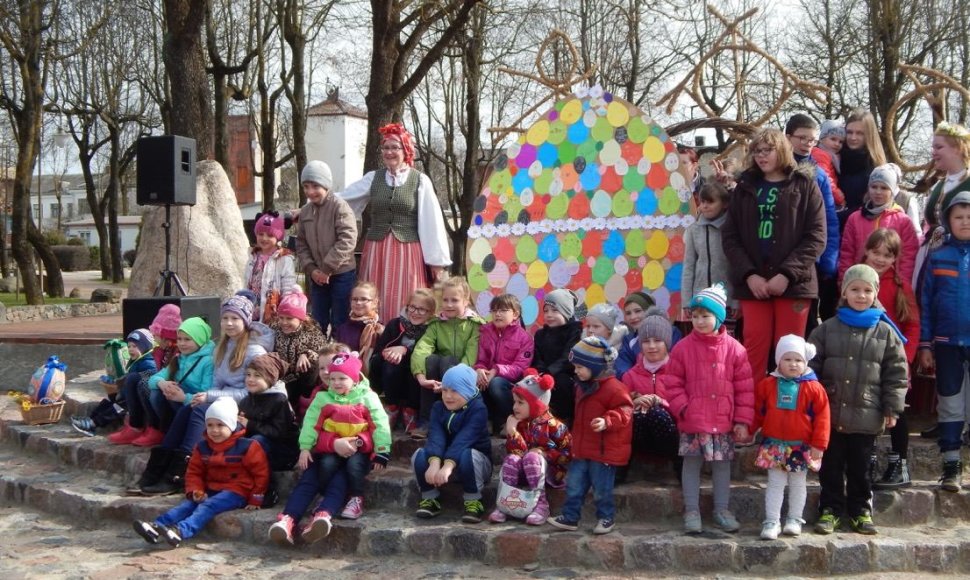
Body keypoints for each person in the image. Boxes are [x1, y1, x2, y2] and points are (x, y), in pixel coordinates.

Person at [809, 264, 908, 535]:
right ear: (844, 293)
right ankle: (829, 509)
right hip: (832, 413)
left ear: (875, 294)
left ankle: (860, 510)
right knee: (830, 467)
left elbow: (896, 374)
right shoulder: (826, 330)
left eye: (867, 290)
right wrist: (812, 404)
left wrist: (892, 407)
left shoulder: (886, 334)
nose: (861, 295)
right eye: (855, 289)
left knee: (861, 468)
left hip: (867, 414)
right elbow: (811, 368)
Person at [721, 128, 827, 377]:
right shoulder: (745, 187)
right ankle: (753, 414)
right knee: (754, 353)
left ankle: (785, 414)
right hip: (753, 284)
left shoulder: (805, 185)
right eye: (757, 151)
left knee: (789, 355)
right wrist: (749, 275)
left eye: (767, 150)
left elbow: (816, 236)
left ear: (782, 150)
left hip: (794, 285)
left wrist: (786, 274)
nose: (761, 156)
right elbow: (730, 237)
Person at [338, 123, 452, 323]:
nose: (389, 152)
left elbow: (431, 222)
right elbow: (342, 199)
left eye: (395, 147)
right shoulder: (373, 178)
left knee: (405, 295)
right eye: (386, 148)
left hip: (407, 250)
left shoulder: (419, 180)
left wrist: (436, 261)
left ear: (406, 150)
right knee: (372, 297)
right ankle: (371, 344)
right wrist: (308, 207)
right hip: (376, 250)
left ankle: (403, 343)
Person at [664, 283, 754, 534]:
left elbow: (745, 388)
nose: (700, 321)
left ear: (719, 317)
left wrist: (742, 420)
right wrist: (683, 408)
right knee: (691, 464)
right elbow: (672, 384)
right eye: (695, 316)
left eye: (706, 315)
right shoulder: (682, 348)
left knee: (722, 467)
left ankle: (721, 510)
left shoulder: (736, 350)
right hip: (693, 419)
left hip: (723, 419)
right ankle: (691, 510)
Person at [132, 397, 269, 548]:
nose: (214, 430)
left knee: (208, 506)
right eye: (210, 425)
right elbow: (194, 472)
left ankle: (181, 531)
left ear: (231, 425)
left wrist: (256, 498)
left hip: (237, 491)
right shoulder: (202, 447)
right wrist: (195, 490)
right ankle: (157, 526)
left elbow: (261, 473)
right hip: (211, 488)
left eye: (220, 425)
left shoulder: (248, 446)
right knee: (188, 505)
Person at [547, 336, 632, 535]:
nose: (576, 371)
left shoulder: (614, 388)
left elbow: (625, 410)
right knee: (574, 485)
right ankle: (570, 517)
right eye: (575, 367)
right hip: (583, 448)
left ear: (594, 366)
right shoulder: (581, 387)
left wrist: (607, 420)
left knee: (602, 488)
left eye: (579, 367)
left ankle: (606, 517)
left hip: (603, 452)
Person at [295, 352, 390, 522]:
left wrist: (382, 451)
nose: (336, 383)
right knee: (326, 464)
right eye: (332, 379)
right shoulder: (323, 398)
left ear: (354, 379)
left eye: (342, 378)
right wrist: (305, 447)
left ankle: (356, 497)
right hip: (332, 446)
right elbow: (311, 423)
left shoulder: (367, 397)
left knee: (354, 465)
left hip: (359, 447)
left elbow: (379, 423)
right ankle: (324, 495)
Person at [752, 335, 830, 540]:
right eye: (787, 359)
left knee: (798, 484)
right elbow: (758, 411)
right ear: (778, 361)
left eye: (798, 360)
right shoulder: (767, 385)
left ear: (805, 363)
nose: (793, 364)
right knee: (775, 484)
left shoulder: (814, 388)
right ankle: (771, 521)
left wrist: (819, 444)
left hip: (800, 446)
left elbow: (823, 417)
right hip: (774, 444)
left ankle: (794, 519)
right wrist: (749, 428)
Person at [919, 191, 970, 491]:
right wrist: (925, 344)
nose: (965, 222)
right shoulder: (938, 257)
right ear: (948, 222)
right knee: (950, 403)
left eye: (969, 218)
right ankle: (951, 464)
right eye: (959, 217)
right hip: (947, 342)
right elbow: (926, 302)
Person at [862, 229, 919, 489]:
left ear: (895, 258)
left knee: (896, 409)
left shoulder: (900, 286)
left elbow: (912, 325)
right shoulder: (858, 280)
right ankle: (867, 461)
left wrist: (906, 358)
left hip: (893, 360)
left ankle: (899, 465)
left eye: (888, 255)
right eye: (876, 252)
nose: (880, 259)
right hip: (864, 358)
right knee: (866, 409)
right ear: (867, 251)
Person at [135, 317, 215, 496]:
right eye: (179, 339)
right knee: (155, 390)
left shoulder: (208, 361)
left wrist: (183, 397)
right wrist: (163, 384)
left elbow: (205, 394)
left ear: (200, 339)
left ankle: (176, 475)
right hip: (181, 403)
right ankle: (156, 468)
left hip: (195, 404)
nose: (182, 344)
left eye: (187, 339)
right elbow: (154, 379)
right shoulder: (179, 358)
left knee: (189, 410)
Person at [488, 369, 572, 525]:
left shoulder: (555, 426)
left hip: (548, 473)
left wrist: (545, 454)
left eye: (520, 402)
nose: (514, 407)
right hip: (524, 471)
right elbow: (516, 452)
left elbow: (567, 454)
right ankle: (505, 503)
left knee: (533, 457)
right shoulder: (518, 423)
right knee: (511, 459)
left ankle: (541, 504)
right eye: (514, 401)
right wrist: (512, 432)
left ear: (536, 404)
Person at [412, 364, 493, 523]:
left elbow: (464, 439)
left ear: (468, 390)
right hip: (445, 466)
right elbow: (436, 435)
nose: (448, 396)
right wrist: (435, 462)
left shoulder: (478, 409)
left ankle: (473, 501)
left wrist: (448, 466)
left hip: (473, 465)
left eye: (455, 391)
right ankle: (430, 499)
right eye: (445, 390)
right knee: (420, 455)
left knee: (467, 454)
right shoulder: (438, 407)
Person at [785, 114, 841, 332]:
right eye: (802, 138)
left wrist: (828, 260)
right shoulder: (774, 169)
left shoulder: (818, 175)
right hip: (777, 258)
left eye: (812, 139)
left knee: (805, 324)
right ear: (788, 137)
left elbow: (829, 220)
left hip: (809, 261)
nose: (807, 143)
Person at [410, 276, 484, 435]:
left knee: (448, 361)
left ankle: (456, 419)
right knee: (431, 360)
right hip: (439, 375)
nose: (449, 305)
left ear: (466, 301)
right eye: (445, 300)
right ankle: (426, 422)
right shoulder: (436, 324)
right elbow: (422, 348)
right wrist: (421, 377)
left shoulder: (474, 325)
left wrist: (453, 377)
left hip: (464, 375)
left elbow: (472, 353)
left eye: (455, 300)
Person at [295, 160, 358, 334]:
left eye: (315, 186)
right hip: (317, 276)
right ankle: (318, 354)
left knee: (340, 319)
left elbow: (347, 239)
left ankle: (340, 355)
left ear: (325, 185)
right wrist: (312, 269)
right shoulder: (306, 211)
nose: (310, 191)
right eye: (306, 186)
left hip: (341, 273)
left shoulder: (340, 207)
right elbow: (301, 244)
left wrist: (326, 268)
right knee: (317, 319)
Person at [619, 311, 680, 481]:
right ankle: (620, 469)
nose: (652, 346)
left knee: (656, 413)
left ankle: (679, 466)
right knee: (637, 416)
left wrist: (661, 402)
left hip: (669, 437)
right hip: (640, 438)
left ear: (667, 343)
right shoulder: (629, 376)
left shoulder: (678, 373)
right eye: (646, 341)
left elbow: (685, 408)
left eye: (657, 340)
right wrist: (634, 402)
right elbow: (619, 408)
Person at [838, 164, 920, 284]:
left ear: (892, 191)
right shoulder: (855, 218)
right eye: (874, 187)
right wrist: (844, 280)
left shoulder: (903, 221)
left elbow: (908, 257)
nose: (878, 192)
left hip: (890, 283)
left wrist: (902, 285)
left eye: (884, 188)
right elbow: (847, 253)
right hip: (860, 282)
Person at [370, 288, 435, 434]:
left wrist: (404, 350)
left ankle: (410, 410)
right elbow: (378, 352)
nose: (415, 312)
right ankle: (392, 407)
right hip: (393, 375)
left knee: (418, 366)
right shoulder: (394, 324)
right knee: (390, 364)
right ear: (407, 306)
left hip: (414, 377)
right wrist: (390, 352)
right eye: (412, 307)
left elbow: (428, 353)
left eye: (422, 310)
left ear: (430, 312)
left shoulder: (431, 329)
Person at [72, 329, 158, 440]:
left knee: (117, 407)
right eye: (129, 346)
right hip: (126, 396)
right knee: (109, 401)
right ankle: (90, 419)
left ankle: (93, 423)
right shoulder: (137, 361)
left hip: (132, 401)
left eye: (135, 346)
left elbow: (144, 381)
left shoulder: (148, 363)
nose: (131, 349)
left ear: (145, 347)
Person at [238, 352, 299, 507]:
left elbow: (279, 433)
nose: (251, 379)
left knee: (256, 442)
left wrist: (250, 425)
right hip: (254, 449)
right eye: (248, 375)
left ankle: (267, 490)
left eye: (257, 376)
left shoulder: (279, 400)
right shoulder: (246, 400)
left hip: (282, 453)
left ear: (270, 378)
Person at [916, 121, 970, 291]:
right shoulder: (938, 185)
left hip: (960, 259)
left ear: (957, 148)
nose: (934, 152)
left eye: (939, 147)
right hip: (930, 255)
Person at [475, 293, 534, 434]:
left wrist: (496, 370)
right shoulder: (486, 332)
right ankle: (485, 421)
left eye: (502, 310)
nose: (497, 314)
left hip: (510, 383)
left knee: (496, 384)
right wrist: (480, 370)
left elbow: (520, 368)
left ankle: (509, 420)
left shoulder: (525, 338)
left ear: (515, 314)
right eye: (494, 310)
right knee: (473, 379)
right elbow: (481, 359)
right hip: (488, 377)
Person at [681, 182, 734, 320]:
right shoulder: (694, 229)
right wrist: (687, 301)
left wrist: (736, 301)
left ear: (725, 203)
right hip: (701, 301)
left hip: (726, 301)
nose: (704, 206)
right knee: (703, 338)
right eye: (702, 201)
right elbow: (689, 266)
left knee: (725, 339)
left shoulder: (731, 228)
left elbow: (736, 266)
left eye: (710, 202)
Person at [531, 289, 583, 425]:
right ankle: (534, 419)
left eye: (554, 311)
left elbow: (568, 356)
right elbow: (537, 355)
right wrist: (541, 371)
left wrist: (550, 373)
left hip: (565, 374)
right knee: (528, 383)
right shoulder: (541, 334)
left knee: (561, 383)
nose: (549, 315)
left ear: (566, 312)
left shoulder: (575, 331)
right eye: (546, 311)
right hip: (543, 373)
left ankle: (564, 420)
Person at [270, 291, 328, 411]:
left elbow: (324, 352)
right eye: (281, 318)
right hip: (282, 377)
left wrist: (306, 353)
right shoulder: (275, 329)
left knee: (311, 364)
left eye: (289, 318)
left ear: (300, 319)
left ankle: (305, 400)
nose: (284, 322)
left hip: (301, 377)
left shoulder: (311, 331)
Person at [244, 211, 299, 324]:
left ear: (278, 237)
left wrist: (285, 308)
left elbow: (288, 285)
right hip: (253, 308)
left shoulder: (284, 259)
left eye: (270, 235)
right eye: (260, 234)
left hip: (273, 310)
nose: (264, 238)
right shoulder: (253, 256)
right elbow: (247, 281)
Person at [839, 110, 887, 225]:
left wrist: (838, 217)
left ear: (868, 135)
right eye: (849, 132)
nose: (853, 137)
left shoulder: (876, 166)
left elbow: (874, 205)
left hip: (862, 225)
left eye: (859, 133)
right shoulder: (836, 158)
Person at [332, 280, 384, 375]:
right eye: (355, 299)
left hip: (372, 380)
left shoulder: (379, 329)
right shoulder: (343, 329)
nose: (358, 303)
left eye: (364, 299)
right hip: (346, 377)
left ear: (375, 302)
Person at [812, 120, 846, 209]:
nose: (837, 144)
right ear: (822, 138)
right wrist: (840, 197)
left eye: (840, 142)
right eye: (833, 139)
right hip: (825, 198)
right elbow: (826, 179)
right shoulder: (820, 154)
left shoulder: (831, 156)